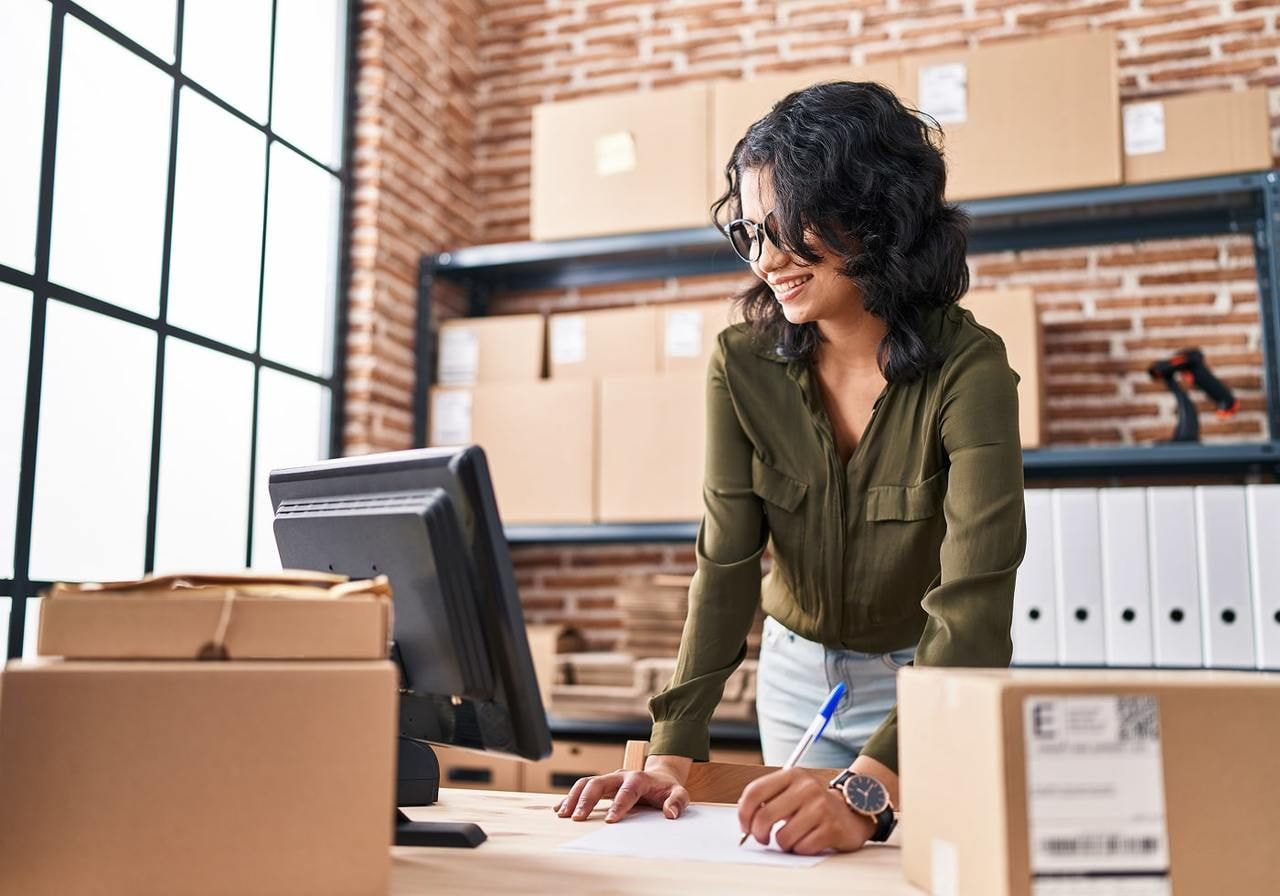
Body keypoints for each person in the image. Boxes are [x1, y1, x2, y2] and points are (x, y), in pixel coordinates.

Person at [555, 80, 1026, 854]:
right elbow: (726, 564)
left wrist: (871, 786)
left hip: (928, 680)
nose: (766, 258)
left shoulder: (968, 370)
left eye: (787, 227)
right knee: (804, 867)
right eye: (750, 230)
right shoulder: (741, 363)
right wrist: (674, 751)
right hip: (795, 676)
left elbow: (974, 609)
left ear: (873, 214)